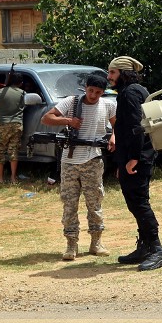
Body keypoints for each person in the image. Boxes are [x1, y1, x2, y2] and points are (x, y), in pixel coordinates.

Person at [41, 73, 116, 261]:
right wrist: (68, 121)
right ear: (85, 88)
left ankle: (96, 242)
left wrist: (114, 137)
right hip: (70, 161)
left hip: (93, 160)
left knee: (95, 203)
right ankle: (71, 244)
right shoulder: (71, 102)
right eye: (91, 90)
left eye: (98, 92)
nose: (93, 95)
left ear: (103, 92)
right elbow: (47, 118)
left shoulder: (108, 105)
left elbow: (118, 125)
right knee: (69, 204)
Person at [107, 55, 162, 271]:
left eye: (112, 72)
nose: (109, 77)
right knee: (135, 202)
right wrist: (122, 161)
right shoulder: (136, 90)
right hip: (136, 156)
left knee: (139, 203)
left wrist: (132, 158)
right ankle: (145, 247)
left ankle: (157, 250)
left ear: (123, 73)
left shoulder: (130, 93)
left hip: (138, 157)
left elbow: (136, 127)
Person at [0, 72, 26, 184]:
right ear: (21, 83)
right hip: (16, 125)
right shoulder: (23, 93)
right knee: (13, 151)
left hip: (2, 125)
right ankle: (13, 178)